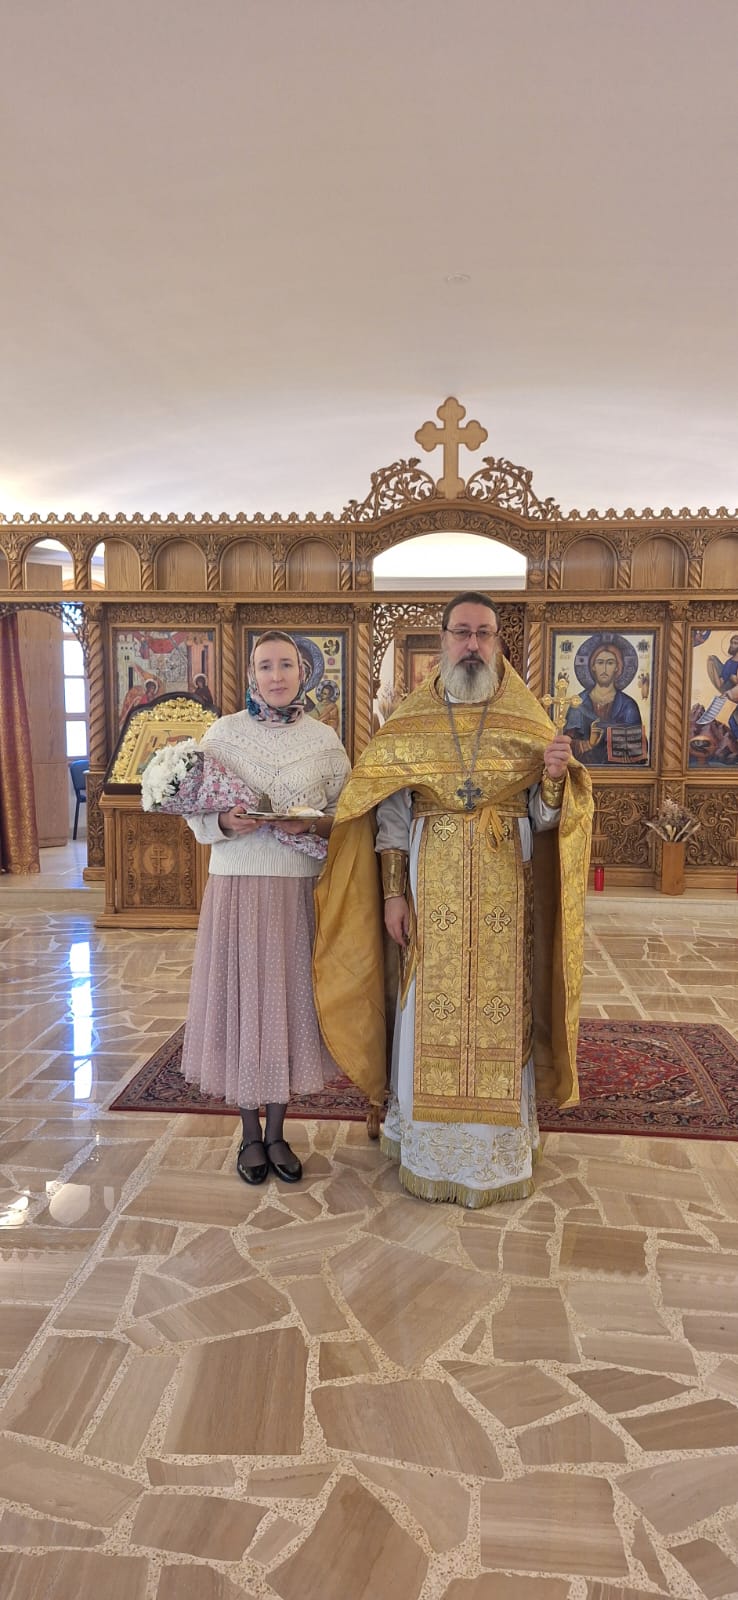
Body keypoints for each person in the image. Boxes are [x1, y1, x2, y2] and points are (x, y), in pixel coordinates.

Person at [314, 593, 593, 1209]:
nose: (472, 644)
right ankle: (428, 1148)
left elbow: (547, 822)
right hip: (429, 884)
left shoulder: (527, 720)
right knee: (423, 1003)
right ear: (442, 639)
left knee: (504, 1004)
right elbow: (389, 813)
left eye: (483, 633)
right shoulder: (409, 722)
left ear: (498, 642)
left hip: (504, 894)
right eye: (462, 632)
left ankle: (495, 1152)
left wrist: (553, 779)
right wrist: (393, 894)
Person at [181, 629, 350, 1185]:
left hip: (297, 890)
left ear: (304, 673)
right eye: (265, 666)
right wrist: (223, 821)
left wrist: (313, 825)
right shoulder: (223, 734)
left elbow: (346, 814)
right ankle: (249, 1135)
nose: (276, 676)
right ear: (252, 675)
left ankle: (278, 1131)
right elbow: (196, 814)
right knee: (241, 1004)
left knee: (285, 1005)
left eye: (286, 665)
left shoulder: (325, 740)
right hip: (236, 886)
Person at [563, 640, 646, 765]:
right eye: (600, 662)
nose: (605, 668)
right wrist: (589, 744)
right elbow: (565, 745)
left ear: (617, 668)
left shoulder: (628, 705)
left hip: (620, 773)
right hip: (581, 771)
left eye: (610, 663)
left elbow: (638, 748)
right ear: (593, 667)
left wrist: (609, 733)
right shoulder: (577, 703)